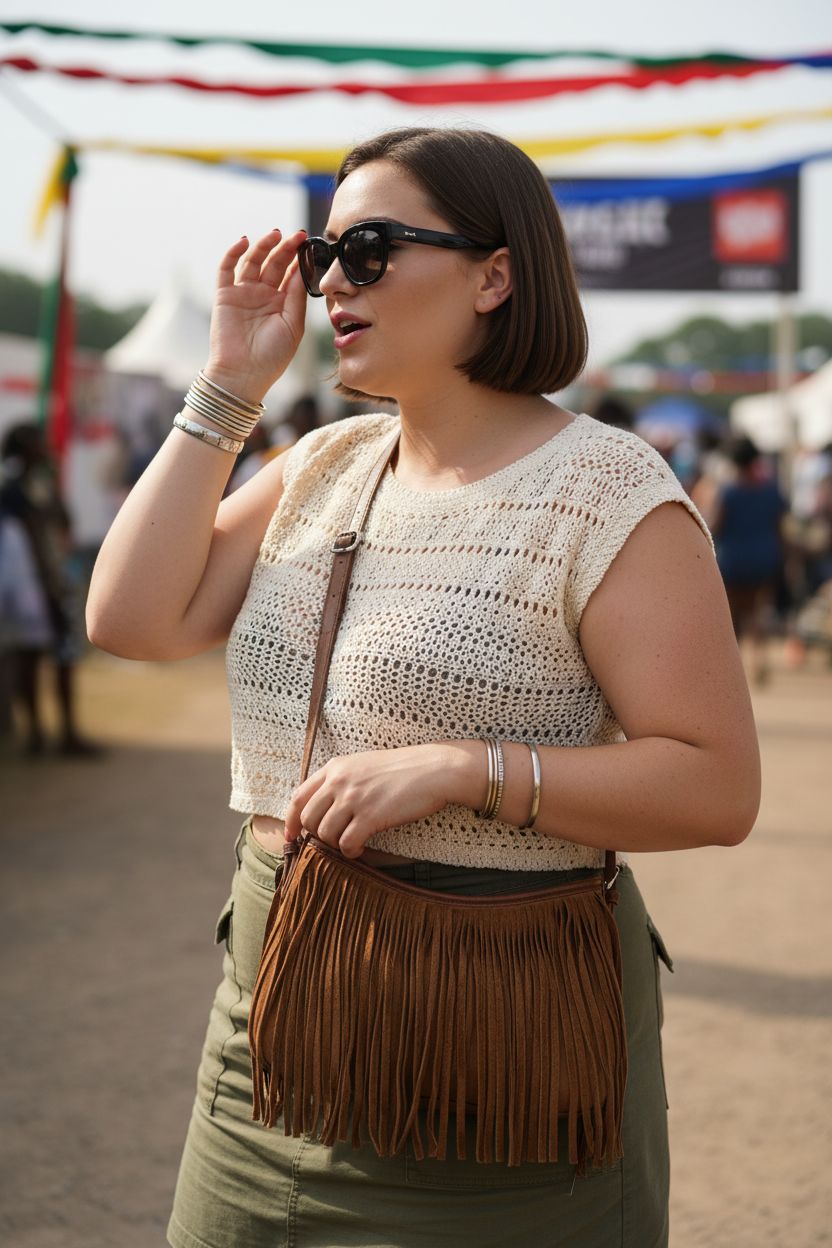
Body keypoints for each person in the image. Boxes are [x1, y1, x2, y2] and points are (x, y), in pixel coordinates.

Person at [86, 127, 760, 1247]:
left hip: (501, 1037)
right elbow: (129, 619)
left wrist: (463, 771)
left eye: (372, 247)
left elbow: (715, 788)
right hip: (274, 1006)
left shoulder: (603, 488)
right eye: (325, 252)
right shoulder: (322, 464)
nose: (334, 280)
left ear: (496, 274)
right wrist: (228, 385)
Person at [0, 422, 102, 756]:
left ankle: (67, 733)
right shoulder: (10, 490)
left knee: (64, 657)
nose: (42, 448)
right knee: (27, 659)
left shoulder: (43, 485)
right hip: (28, 589)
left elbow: (64, 522)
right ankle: (35, 734)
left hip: (56, 583)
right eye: (35, 443)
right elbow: (27, 535)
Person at [711, 436, 788, 687]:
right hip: (764, 558)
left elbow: (715, 526)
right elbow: (780, 530)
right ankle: (760, 661)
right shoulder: (771, 491)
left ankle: (735, 670)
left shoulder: (727, 491)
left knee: (732, 617)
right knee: (758, 611)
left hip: (733, 559)